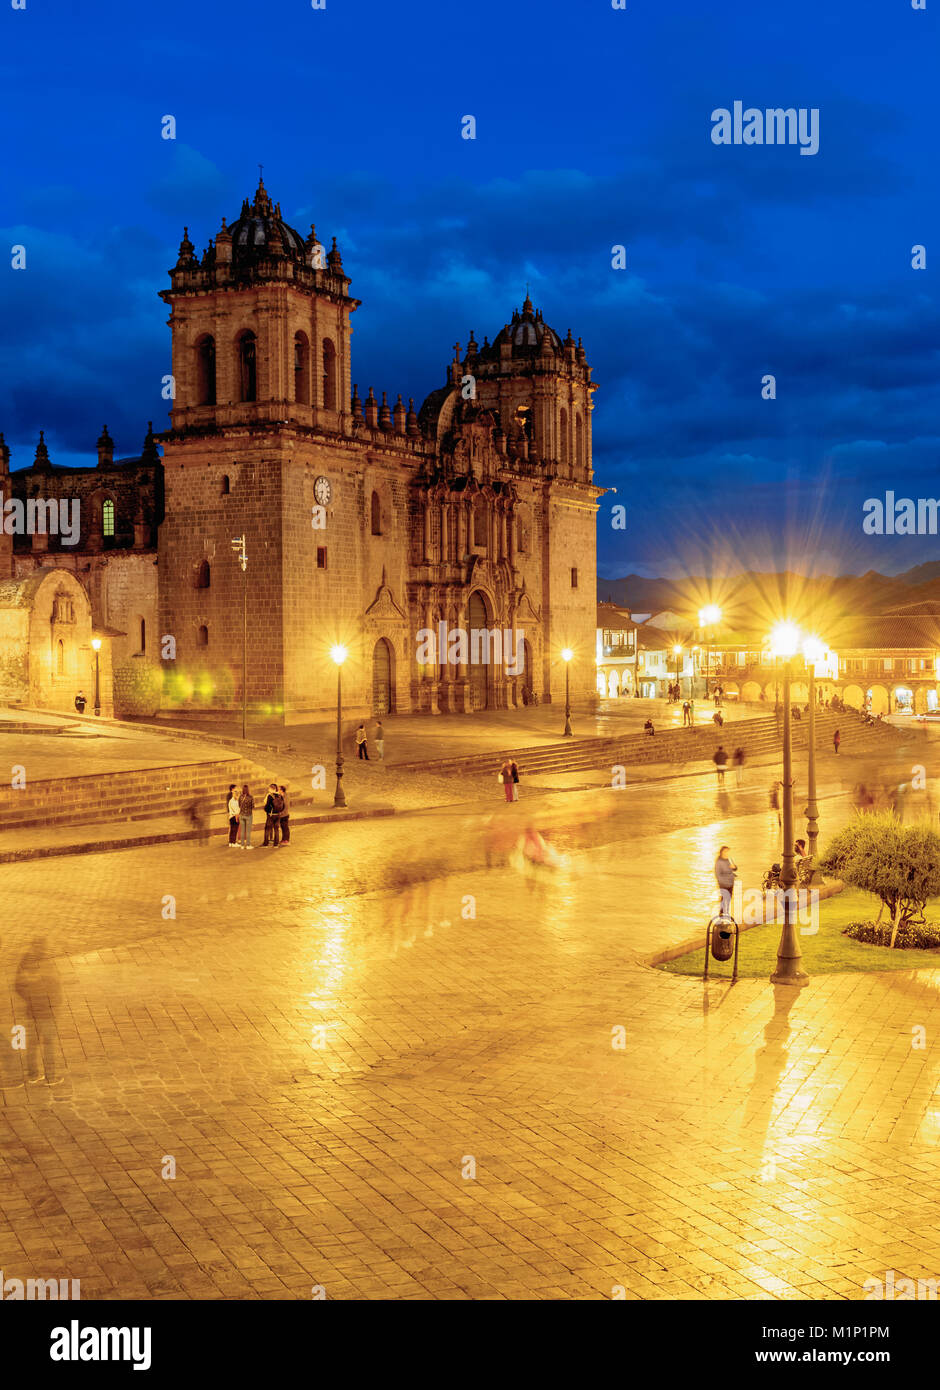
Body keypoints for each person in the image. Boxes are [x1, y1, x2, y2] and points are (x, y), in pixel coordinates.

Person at [14, 937, 63, 1086]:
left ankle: (33, 1075)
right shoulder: (46, 963)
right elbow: (55, 984)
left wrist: (29, 999)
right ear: (43, 947)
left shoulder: (25, 962)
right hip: (47, 1012)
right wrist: (55, 1002)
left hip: (32, 1011)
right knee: (48, 1044)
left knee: (32, 1044)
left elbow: (18, 985)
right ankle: (50, 1077)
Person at [714, 845, 737, 916]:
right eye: (725, 851)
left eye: (728, 852)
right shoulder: (719, 862)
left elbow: (735, 868)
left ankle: (726, 912)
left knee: (729, 899)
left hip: (731, 883)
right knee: (724, 899)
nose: (727, 853)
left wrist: (734, 867)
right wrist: (722, 883)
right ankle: (721, 914)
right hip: (723, 884)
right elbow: (718, 875)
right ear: (721, 852)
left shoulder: (729, 859)